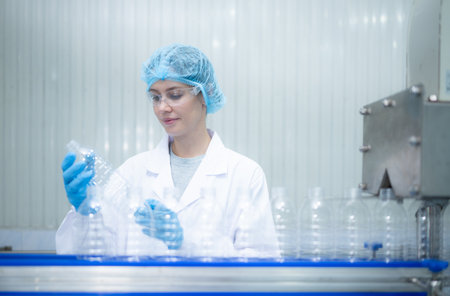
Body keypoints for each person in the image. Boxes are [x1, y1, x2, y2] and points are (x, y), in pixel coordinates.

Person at [56, 44, 279, 257]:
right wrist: (83, 213)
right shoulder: (133, 171)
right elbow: (94, 256)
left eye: (174, 95)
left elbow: (259, 265)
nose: (162, 107)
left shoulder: (245, 174)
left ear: (204, 94)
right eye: (155, 97)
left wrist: (184, 240)